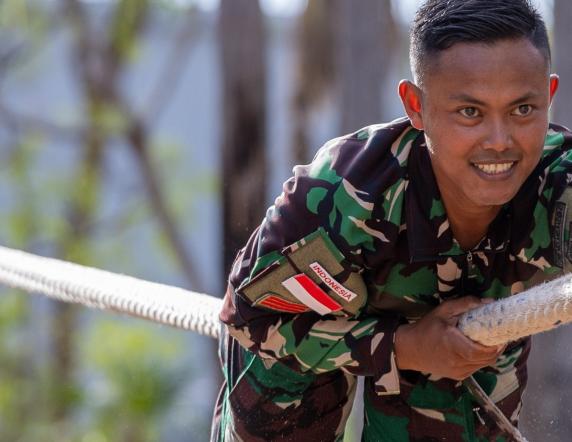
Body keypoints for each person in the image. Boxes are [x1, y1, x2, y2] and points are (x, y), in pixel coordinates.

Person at [211, 0, 572, 440]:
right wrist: (401, 345)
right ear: (416, 106)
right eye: (470, 113)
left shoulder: (560, 181)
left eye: (522, 110)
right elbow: (250, 319)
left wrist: (425, 353)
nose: (499, 141)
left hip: (464, 350)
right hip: (309, 339)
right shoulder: (341, 197)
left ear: (548, 97)